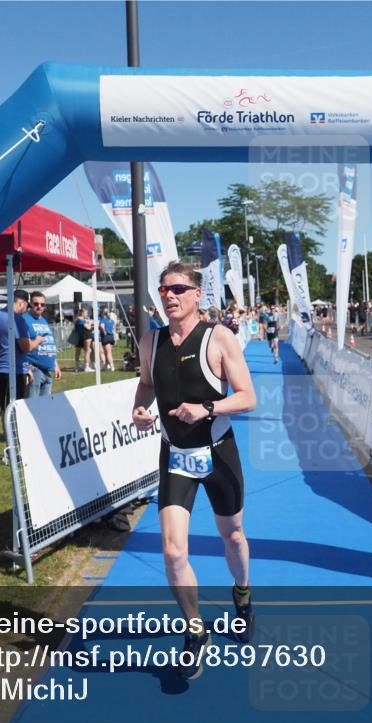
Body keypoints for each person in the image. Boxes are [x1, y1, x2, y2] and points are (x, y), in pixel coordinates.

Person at [131, 261, 257, 681]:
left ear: (196, 295)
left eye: (178, 289)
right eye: (164, 289)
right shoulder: (152, 340)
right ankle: (194, 630)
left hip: (218, 452)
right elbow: (147, 383)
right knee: (172, 551)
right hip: (175, 455)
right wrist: (140, 408)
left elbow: (247, 398)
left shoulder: (219, 338)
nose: (168, 296)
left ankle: (242, 594)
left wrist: (206, 407)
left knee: (233, 535)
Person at [0, 290, 44, 411]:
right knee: (15, 409)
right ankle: (14, 430)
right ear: (21, 303)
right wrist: (37, 340)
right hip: (13, 370)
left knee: (5, 407)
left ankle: (6, 430)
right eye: (27, 306)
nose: (26, 310)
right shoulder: (17, 319)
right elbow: (25, 347)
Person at [25, 292, 62, 397]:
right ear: (30, 304)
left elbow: (48, 342)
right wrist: (26, 368)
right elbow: (21, 346)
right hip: (34, 369)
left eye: (42, 304)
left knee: (44, 407)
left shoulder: (43, 320)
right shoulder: (25, 320)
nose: (39, 306)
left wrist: (55, 365)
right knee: (32, 405)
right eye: (36, 304)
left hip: (47, 370)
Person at [73, 306, 96, 372]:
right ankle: (86, 366)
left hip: (78, 337)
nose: (87, 314)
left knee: (78, 352)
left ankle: (77, 366)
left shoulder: (78, 319)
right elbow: (88, 328)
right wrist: (90, 323)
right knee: (88, 351)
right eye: (86, 313)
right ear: (82, 313)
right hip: (84, 337)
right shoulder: (81, 320)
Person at [98, 306, 116, 371]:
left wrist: (104, 331)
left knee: (108, 352)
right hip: (111, 336)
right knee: (108, 352)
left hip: (106, 336)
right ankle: (106, 365)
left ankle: (112, 366)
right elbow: (114, 325)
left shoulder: (103, 319)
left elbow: (101, 326)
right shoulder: (110, 319)